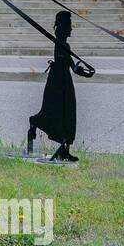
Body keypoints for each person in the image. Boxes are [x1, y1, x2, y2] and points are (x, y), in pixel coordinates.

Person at [27, 11, 90, 162]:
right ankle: (36, 122)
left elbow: (71, 66)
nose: (71, 29)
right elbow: (70, 65)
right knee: (61, 112)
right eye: (69, 25)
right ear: (63, 26)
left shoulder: (63, 43)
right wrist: (80, 71)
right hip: (59, 82)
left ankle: (64, 150)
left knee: (67, 113)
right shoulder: (61, 42)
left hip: (63, 80)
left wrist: (82, 72)